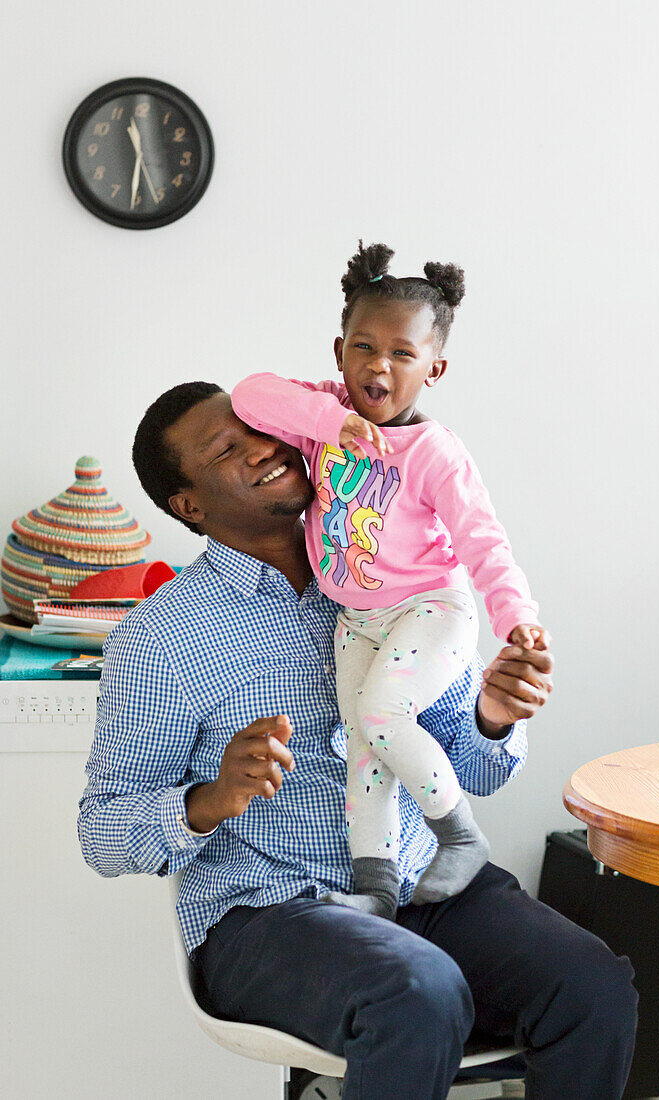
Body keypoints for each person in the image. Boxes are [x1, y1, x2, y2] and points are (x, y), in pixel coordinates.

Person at [78, 382, 637, 1100]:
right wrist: (211, 799)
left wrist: (492, 717)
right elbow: (101, 832)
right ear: (190, 506)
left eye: (260, 429)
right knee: (416, 991)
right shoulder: (157, 640)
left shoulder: (399, 568)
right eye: (227, 449)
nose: (264, 447)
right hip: (270, 910)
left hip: (418, 881)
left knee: (591, 986)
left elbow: (478, 772)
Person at [231, 241, 550, 919]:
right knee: (363, 746)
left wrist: (514, 615)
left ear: (432, 369)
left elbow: (482, 541)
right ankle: (375, 884)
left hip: (429, 610)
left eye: (401, 354)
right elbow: (249, 394)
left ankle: (457, 835)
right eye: (363, 347)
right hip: (356, 619)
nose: (378, 365)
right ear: (339, 349)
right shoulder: (323, 417)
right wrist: (332, 420)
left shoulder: (434, 453)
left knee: (381, 716)